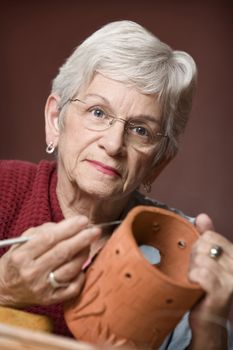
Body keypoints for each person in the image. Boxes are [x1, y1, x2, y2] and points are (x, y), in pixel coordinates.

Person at [0, 20, 232, 349]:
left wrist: (210, 325)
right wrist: (5, 288)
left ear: (158, 163)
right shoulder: (4, 188)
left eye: (141, 130)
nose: (113, 144)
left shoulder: (179, 253)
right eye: (98, 112)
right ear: (56, 119)